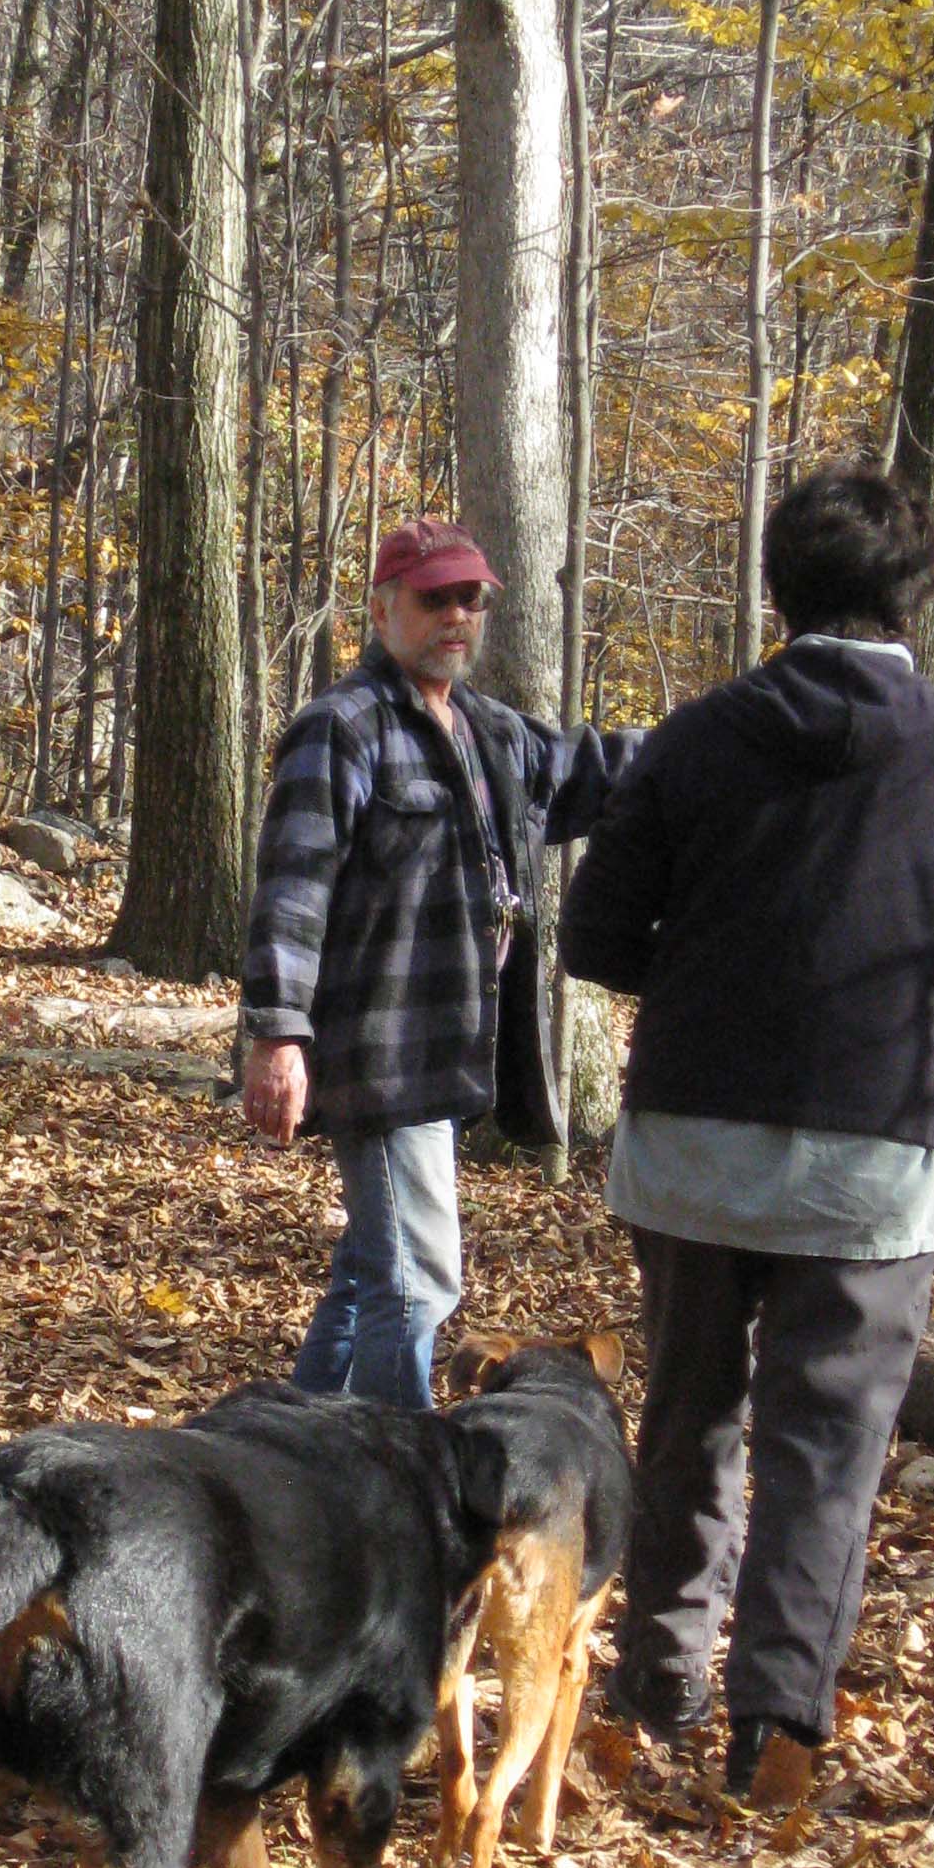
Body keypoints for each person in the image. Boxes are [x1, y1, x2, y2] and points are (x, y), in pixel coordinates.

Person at [559, 460, 934, 1803]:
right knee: (825, 1452)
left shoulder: (695, 739)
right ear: (916, 598)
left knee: (687, 1420)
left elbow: (595, 936)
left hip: (694, 1151)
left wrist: (710, 974)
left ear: (778, 590)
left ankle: (650, 1693)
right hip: (877, 1158)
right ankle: (777, 1729)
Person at [240, 517, 637, 1409]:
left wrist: (713, 741)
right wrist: (278, 1035)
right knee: (419, 1284)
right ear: (383, 609)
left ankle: (286, 1450)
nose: (458, 614)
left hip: (452, 1052)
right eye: (435, 598)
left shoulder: (491, 732)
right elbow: (292, 890)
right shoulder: (340, 729)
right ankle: (393, 1471)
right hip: (381, 1057)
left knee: (367, 1277)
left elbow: (593, 772)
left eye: (472, 598)